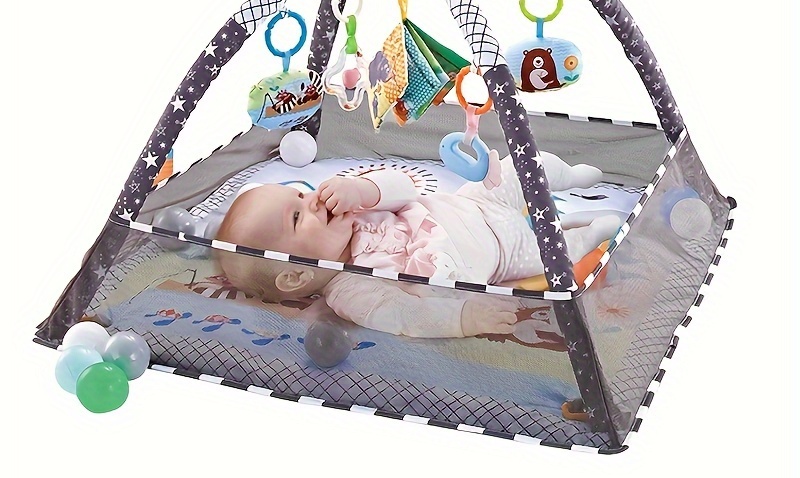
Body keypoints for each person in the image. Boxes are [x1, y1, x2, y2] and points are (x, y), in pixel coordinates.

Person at [214, 155, 620, 338]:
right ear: (295, 275)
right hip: (503, 255)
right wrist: (464, 318)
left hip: (475, 202)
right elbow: (406, 315)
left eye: (301, 194)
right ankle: (592, 232)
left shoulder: (357, 206)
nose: (314, 200)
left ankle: (569, 176)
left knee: (523, 167)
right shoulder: (351, 291)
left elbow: (405, 186)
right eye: (297, 216)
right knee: (556, 255)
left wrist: (362, 188)